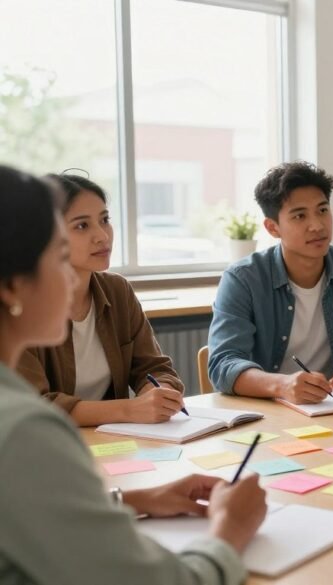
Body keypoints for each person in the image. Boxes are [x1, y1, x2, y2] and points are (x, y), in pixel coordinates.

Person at [0, 164, 267, 584]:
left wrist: (133, 498)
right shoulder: (24, 430)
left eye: (105, 220)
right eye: (59, 256)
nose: (71, 276)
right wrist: (231, 528)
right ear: (13, 286)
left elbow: (29, 512)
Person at [208, 161, 333, 403]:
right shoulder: (242, 279)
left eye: (323, 210)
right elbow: (223, 363)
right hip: (270, 411)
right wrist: (281, 385)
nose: (317, 225)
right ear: (273, 228)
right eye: (300, 215)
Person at [17, 172, 187, 426]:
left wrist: (157, 393)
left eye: (104, 220)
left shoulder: (117, 290)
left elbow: (154, 368)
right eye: (82, 226)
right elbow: (33, 406)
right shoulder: (18, 305)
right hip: (46, 443)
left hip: (112, 442)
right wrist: (129, 410)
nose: (103, 236)